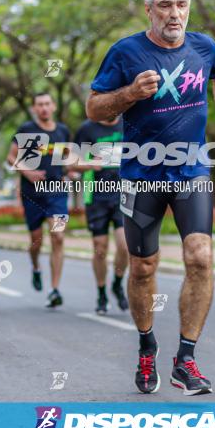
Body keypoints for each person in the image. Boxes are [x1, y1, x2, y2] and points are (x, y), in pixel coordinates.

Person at [86, 0, 215, 395]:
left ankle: (185, 359)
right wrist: (130, 93)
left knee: (201, 257)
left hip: (190, 169)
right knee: (143, 267)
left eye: (182, 5)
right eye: (166, 6)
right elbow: (96, 108)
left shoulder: (203, 47)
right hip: (142, 173)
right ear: (149, 9)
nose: (175, 14)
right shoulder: (126, 52)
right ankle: (146, 346)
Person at [7, 92, 71, 309]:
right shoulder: (26, 130)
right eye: (39, 105)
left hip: (57, 192)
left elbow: (66, 158)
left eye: (47, 104)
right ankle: (36, 267)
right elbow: (11, 156)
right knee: (36, 241)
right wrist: (28, 173)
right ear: (34, 109)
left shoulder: (62, 131)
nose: (43, 108)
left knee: (59, 237)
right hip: (32, 193)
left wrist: (69, 172)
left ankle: (54, 290)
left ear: (53, 106)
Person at [71, 115, 129, 315]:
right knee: (100, 248)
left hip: (123, 193)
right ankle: (102, 292)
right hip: (95, 195)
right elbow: (71, 161)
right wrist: (89, 164)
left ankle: (117, 283)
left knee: (125, 246)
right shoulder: (87, 129)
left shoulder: (127, 122)